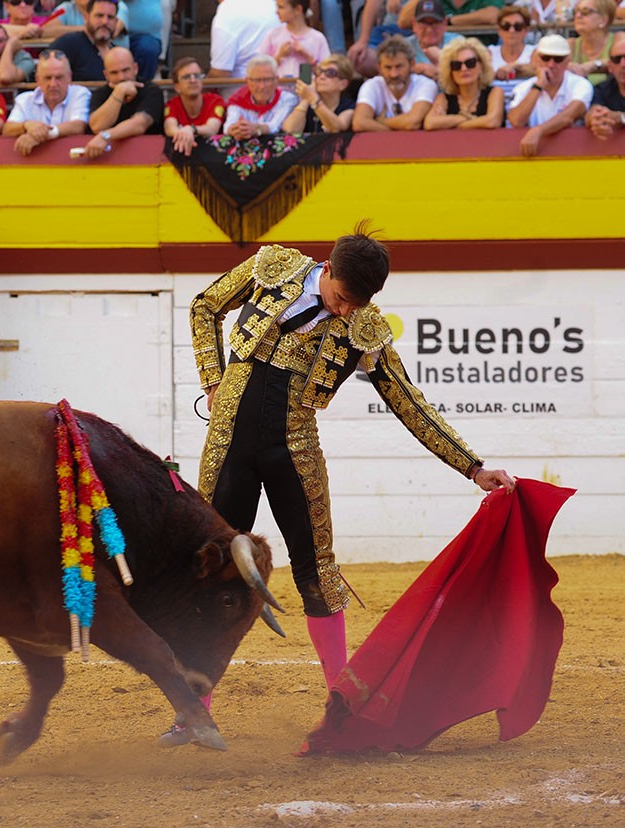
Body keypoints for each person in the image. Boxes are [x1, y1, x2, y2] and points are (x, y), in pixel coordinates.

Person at [156, 223, 517, 747]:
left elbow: (407, 401)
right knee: (214, 572)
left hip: (293, 456)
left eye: (359, 304)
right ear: (327, 270)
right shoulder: (271, 267)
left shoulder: (365, 328)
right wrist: (212, 379)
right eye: (344, 298)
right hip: (228, 444)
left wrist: (472, 466)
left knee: (318, 575)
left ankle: (342, 709)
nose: (348, 312)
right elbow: (204, 306)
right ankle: (194, 713)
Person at [508, 34, 593, 156]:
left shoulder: (580, 84)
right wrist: (538, 86)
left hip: (574, 153)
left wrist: (538, 131)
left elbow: (569, 116)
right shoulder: (523, 88)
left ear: (567, 62)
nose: (551, 64)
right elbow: (516, 120)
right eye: (546, 58)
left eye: (558, 59)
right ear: (537, 60)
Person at [3, 47, 90, 154]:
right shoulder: (25, 99)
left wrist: (42, 135)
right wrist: (26, 125)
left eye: (59, 77)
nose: (53, 84)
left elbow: (78, 126)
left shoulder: (80, 94)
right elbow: (7, 130)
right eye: (48, 78)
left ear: (69, 77)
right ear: (37, 79)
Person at [82, 44, 162, 156]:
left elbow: (139, 125)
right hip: (108, 161)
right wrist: (119, 92)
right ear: (106, 75)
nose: (121, 77)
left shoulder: (151, 90)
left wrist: (106, 136)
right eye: (114, 73)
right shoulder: (100, 94)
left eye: (126, 70)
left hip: (146, 157)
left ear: (135, 69)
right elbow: (97, 126)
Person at [352, 35, 437, 130]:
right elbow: (359, 123)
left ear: (412, 64)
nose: (394, 74)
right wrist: (397, 127)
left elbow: (413, 122)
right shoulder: (372, 85)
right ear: (379, 68)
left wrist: (378, 121)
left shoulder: (425, 84)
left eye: (399, 66)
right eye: (388, 67)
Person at [424, 36, 504, 127]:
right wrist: (468, 118)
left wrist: (449, 124)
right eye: (456, 65)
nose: (464, 69)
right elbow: (430, 123)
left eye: (470, 63)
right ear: (450, 72)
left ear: (481, 66)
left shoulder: (495, 92)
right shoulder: (444, 98)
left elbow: (492, 121)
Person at [223, 54, 299, 138]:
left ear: (276, 80)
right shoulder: (238, 100)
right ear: (247, 81)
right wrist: (236, 129)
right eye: (257, 80)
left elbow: (275, 126)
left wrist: (257, 129)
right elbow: (228, 126)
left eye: (267, 80)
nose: (262, 86)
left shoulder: (287, 99)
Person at [163, 56, 225, 155]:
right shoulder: (172, 104)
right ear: (177, 87)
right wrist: (184, 133)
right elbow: (169, 128)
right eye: (186, 77)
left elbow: (212, 129)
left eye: (197, 76)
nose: (193, 80)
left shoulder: (215, 101)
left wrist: (190, 129)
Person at [47, 0, 120, 82]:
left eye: (110, 17)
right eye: (99, 16)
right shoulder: (68, 44)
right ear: (86, 18)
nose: (105, 22)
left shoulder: (118, 53)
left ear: (116, 22)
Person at [282, 52, 356, 132]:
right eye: (319, 72)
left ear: (343, 84)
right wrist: (305, 100)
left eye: (330, 73)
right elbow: (290, 130)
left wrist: (314, 100)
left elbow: (336, 128)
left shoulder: (349, 106)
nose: (322, 76)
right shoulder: (309, 105)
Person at [258, 0, 330, 80]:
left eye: (281, 7)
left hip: (306, 89)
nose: (277, 12)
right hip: (278, 89)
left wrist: (308, 57)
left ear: (298, 9)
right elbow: (258, 68)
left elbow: (328, 73)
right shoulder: (273, 35)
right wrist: (279, 56)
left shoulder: (317, 38)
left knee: (304, 79)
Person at [209, 0, 280, 80]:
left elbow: (221, 72)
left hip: (243, 86)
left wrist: (203, 89)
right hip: (282, 83)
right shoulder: (277, 5)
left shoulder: (227, 11)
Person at [583, 31, 625, 138]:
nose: (623, 64)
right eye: (617, 59)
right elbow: (594, 110)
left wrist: (621, 118)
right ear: (610, 67)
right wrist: (595, 119)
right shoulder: (602, 88)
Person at [404, 0, 459, 79]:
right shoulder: (403, 47)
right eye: (424, 23)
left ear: (445, 23)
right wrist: (416, 69)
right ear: (414, 24)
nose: (429, 29)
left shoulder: (457, 43)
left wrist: (442, 62)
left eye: (435, 22)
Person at [567, 0, 615, 86]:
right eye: (576, 11)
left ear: (603, 20)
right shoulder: (571, 44)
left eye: (585, 12)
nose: (578, 16)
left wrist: (594, 65)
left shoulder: (618, 40)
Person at [490, 5, 535, 82]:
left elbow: (540, 68)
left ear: (526, 30)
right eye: (506, 26)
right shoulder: (490, 52)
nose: (511, 31)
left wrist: (514, 67)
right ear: (499, 30)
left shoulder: (535, 52)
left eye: (518, 26)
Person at [395, 0, 504, 29]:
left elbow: (493, 15)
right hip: (436, 51)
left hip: (480, 50)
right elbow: (403, 21)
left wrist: (451, 21)